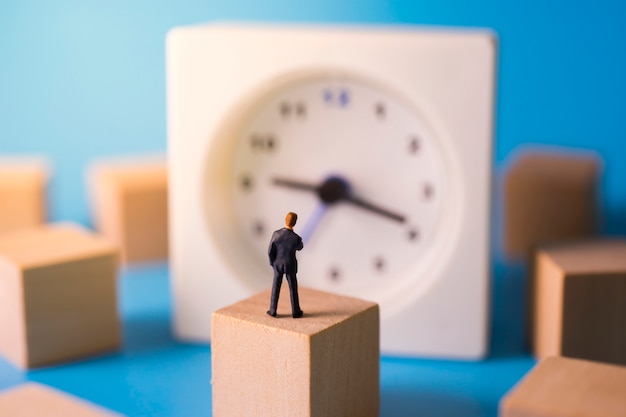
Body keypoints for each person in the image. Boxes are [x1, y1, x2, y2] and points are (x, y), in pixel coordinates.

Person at [267, 212, 304, 318]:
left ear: (285, 219)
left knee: (275, 288)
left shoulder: (276, 234)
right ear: (295, 222)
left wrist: (272, 262)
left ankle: (273, 310)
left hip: (277, 264)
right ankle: (296, 311)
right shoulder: (296, 238)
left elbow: (270, 251)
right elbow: (300, 247)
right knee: (293, 289)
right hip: (290, 265)